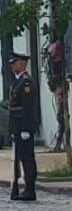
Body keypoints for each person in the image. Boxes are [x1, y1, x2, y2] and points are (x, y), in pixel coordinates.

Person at [7, 52, 39, 201]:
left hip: (23, 128)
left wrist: (26, 129)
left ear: (22, 64)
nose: (12, 66)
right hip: (17, 127)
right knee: (21, 158)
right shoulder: (17, 82)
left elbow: (27, 108)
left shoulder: (26, 83)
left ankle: (30, 189)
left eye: (15, 63)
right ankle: (23, 187)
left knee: (27, 158)